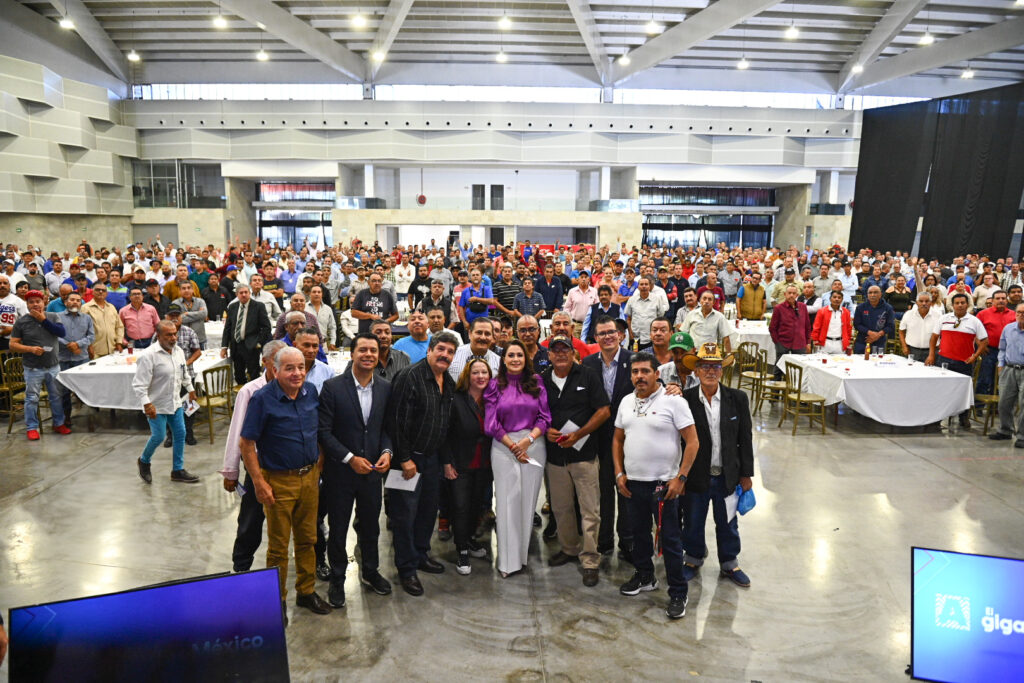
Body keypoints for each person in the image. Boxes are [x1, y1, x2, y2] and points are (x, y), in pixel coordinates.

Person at [240, 346, 331, 622]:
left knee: (309, 539)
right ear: (275, 370)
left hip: (309, 479)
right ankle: (277, 600)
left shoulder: (311, 393)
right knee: (279, 546)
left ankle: (306, 591)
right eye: (290, 368)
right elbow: (246, 443)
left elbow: (318, 434)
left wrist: (319, 467)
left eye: (301, 367)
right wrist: (258, 482)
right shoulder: (262, 399)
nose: (297, 373)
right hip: (278, 481)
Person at [613, 352, 699, 620]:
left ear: (656, 374)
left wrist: (681, 477)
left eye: (645, 371)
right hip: (633, 483)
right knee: (638, 534)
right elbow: (617, 439)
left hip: (664, 485)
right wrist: (619, 473)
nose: (639, 376)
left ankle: (677, 592)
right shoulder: (626, 402)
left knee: (670, 540)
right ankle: (645, 576)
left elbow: (693, 442)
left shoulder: (673, 401)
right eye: (635, 372)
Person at [318, 333, 394, 607]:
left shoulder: (385, 387)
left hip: (373, 472)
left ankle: (371, 571)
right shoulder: (332, 387)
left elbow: (386, 428)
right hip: (341, 474)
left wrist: (387, 451)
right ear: (352, 354)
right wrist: (349, 458)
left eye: (373, 350)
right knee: (338, 528)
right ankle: (338, 578)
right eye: (363, 350)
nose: (369, 355)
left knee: (370, 525)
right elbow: (324, 432)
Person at [388, 332, 459, 596]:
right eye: (440, 349)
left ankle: (420, 554)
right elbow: (396, 421)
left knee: (427, 511)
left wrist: (445, 460)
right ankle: (406, 569)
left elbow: (445, 425)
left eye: (450, 352)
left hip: (431, 459)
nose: (445, 355)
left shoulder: (447, 382)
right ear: (429, 350)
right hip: (407, 461)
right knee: (404, 515)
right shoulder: (410, 377)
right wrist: (404, 459)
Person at [680, 343, 755, 589]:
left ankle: (729, 563)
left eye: (715, 366)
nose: (710, 371)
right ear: (697, 371)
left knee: (728, 522)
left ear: (722, 370)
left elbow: (745, 438)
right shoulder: (685, 400)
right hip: (696, 476)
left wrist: (746, 474)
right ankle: (692, 559)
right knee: (693, 519)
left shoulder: (738, 399)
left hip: (727, 476)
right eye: (704, 366)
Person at [541, 335, 609, 586]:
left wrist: (579, 434)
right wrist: (546, 429)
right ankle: (569, 548)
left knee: (590, 509)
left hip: (584, 454)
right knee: (561, 507)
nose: (560, 353)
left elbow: (603, 410)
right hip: (555, 456)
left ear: (573, 352)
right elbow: (537, 412)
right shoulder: (542, 380)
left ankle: (590, 559)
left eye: (565, 349)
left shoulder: (588, 375)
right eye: (555, 350)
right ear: (549, 354)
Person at [484, 339, 551, 577]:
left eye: (519, 355)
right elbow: (491, 423)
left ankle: (521, 557)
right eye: (511, 355)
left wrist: (527, 441)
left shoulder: (537, 382)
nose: (515, 359)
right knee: (506, 502)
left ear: (526, 359)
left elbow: (545, 418)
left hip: (533, 446)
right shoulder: (494, 385)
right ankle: (507, 562)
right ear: (504, 359)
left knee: (526, 503)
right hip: (503, 447)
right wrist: (513, 445)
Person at [220, 340, 287, 573]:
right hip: (257, 467)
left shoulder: (294, 388)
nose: (281, 365)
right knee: (250, 521)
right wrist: (231, 470)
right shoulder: (251, 390)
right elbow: (238, 432)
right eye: (276, 360)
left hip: (286, 467)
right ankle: (241, 567)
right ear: (265, 362)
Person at [582, 315, 634, 560]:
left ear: (620, 334)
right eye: (602, 333)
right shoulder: (587, 364)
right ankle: (604, 543)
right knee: (602, 494)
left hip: (631, 441)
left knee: (627, 493)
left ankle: (628, 542)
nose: (607, 337)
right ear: (595, 338)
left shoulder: (634, 361)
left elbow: (655, 386)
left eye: (611, 332)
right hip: (599, 440)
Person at [444, 358, 494, 575]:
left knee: (477, 505)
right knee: (461, 507)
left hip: (485, 463)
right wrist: (446, 462)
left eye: (485, 372)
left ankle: (470, 540)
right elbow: (444, 434)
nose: (481, 376)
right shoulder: (456, 399)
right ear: (467, 375)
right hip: (461, 463)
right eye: (476, 373)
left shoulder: (492, 399)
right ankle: (461, 549)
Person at [133, 320, 199, 483]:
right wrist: (146, 403)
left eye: (175, 334)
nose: (173, 338)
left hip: (175, 402)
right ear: (159, 336)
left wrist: (190, 389)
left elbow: (184, 374)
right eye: (168, 335)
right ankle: (144, 460)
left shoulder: (179, 352)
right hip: (156, 405)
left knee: (180, 434)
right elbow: (139, 384)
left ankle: (177, 470)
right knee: (159, 436)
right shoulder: (148, 356)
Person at [9, 290, 70, 440]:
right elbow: (12, 344)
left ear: (44, 302)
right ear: (27, 304)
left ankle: (59, 423)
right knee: (32, 398)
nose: (35, 304)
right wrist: (30, 349)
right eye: (31, 302)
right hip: (32, 367)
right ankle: (32, 427)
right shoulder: (21, 322)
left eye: (38, 301)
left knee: (56, 396)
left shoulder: (53, 316)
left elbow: (61, 333)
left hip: (53, 366)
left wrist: (42, 319)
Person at [927, 292, 988, 429]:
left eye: (963, 303)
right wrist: (932, 355)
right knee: (941, 390)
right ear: (952, 305)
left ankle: (963, 418)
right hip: (944, 361)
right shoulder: (944, 318)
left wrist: (975, 355)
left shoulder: (975, 321)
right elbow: (934, 338)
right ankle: (937, 418)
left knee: (963, 392)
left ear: (967, 304)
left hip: (964, 363)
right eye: (957, 303)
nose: (960, 305)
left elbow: (984, 341)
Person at [55, 292, 94, 425]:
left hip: (81, 358)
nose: (75, 302)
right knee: (63, 390)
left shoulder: (87, 318)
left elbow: (91, 336)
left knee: (85, 387)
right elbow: (53, 335)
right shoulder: (57, 317)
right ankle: (66, 417)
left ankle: (90, 414)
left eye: (78, 300)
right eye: (72, 300)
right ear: (66, 302)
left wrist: (77, 344)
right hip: (63, 358)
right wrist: (68, 344)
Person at [221, 284, 272, 385]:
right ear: (237, 295)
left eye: (246, 292)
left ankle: (254, 397)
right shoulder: (232, 307)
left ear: (249, 293)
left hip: (251, 346)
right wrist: (224, 346)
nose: (244, 295)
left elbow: (266, 327)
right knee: (238, 375)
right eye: (241, 293)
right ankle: (242, 397)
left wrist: (259, 343)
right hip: (236, 345)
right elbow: (228, 328)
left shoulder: (258, 306)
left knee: (254, 375)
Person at [990, 303, 1024, 446]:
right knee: (1004, 402)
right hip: (1009, 369)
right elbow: (1002, 349)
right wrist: (1000, 365)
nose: (1021, 315)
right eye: (1019, 312)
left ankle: (1022, 436)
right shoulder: (1008, 329)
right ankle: (1005, 430)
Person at [975, 290, 1013, 399]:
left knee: (1002, 379)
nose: (1001, 300)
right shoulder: (983, 314)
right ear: (992, 300)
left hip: (1007, 352)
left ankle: (996, 408)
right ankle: (979, 406)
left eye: (1003, 298)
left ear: (1007, 300)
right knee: (984, 378)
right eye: (998, 298)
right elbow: (974, 331)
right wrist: (981, 345)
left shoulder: (1014, 315)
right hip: (988, 351)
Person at [768, 284, 811, 378]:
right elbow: (772, 328)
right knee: (779, 368)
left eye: (794, 293)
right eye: (789, 293)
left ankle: (794, 391)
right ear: (785, 294)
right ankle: (775, 390)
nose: (791, 295)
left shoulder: (802, 307)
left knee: (799, 369)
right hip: (783, 342)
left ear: (797, 295)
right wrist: (777, 342)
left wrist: (808, 342)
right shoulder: (779, 308)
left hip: (800, 343)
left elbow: (807, 326)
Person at [448, 316, 501, 380]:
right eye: (479, 332)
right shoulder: (453, 355)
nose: (483, 337)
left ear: (492, 336)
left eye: (487, 334)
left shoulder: (499, 363)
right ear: (470, 334)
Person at [625, 276, 668, 351]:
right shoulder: (631, 300)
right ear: (638, 287)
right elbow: (628, 319)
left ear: (650, 286)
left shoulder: (657, 299)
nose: (644, 286)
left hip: (651, 338)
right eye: (641, 284)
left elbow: (660, 318)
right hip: (636, 338)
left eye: (646, 284)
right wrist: (631, 335)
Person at [81, 283, 124, 357]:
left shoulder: (111, 307)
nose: (101, 292)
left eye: (103, 290)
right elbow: (82, 330)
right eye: (98, 290)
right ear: (92, 292)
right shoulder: (85, 308)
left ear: (106, 293)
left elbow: (119, 327)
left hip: (113, 350)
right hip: (95, 351)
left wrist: (119, 342)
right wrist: (89, 346)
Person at [898, 292, 940, 362]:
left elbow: (942, 334)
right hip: (911, 350)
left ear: (931, 302)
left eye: (927, 301)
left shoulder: (938, 316)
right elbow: (901, 331)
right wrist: (904, 346)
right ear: (916, 302)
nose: (924, 304)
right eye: (921, 301)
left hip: (931, 352)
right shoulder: (908, 314)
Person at [853, 285, 896, 354]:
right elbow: (857, 324)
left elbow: (890, 326)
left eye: (875, 292)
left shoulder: (888, 308)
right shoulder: (860, 307)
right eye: (870, 293)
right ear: (867, 295)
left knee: (878, 363)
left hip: (880, 342)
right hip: (863, 341)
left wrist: (877, 335)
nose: (872, 295)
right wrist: (870, 333)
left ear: (880, 294)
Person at [174, 280, 208, 350]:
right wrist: (197, 314)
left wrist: (186, 314)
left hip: (200, 339)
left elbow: (204, 314)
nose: (186, 290)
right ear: (179, 291)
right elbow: (176, 320)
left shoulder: (200, 301)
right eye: (183, 288)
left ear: (192, 290)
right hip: (182, 340)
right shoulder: (175, 304)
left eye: (189, 288)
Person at [0, 274, 29, 352]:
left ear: (9, 286)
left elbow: (28, 322)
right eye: (0, 283)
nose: (2, 285)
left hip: (10, 340)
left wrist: (13, 329)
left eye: (5, 283)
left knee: (8, 363)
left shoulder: (18, 301)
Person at [305, 285, 337, 350]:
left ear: (322, 294)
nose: (316, 294)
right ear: (309, 294)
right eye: (314, 292)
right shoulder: (304, 308)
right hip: (306, 343)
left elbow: (332, 327)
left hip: (323, 344)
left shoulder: (328, 309)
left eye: (319, 292)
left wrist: (332, 342)